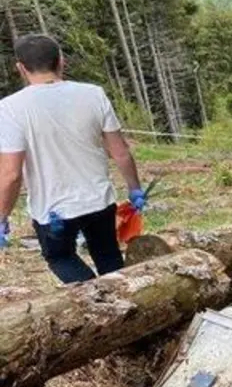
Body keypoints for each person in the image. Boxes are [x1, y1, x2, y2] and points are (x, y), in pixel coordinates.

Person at [0, 34, 148, 283]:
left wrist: (2, 216)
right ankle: (122, 300)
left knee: (61, 257)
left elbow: (11, 174)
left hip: (53, 211)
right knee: (107, 253)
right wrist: (135, 189)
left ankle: (98, 301)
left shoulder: (10, 108)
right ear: (61, 61)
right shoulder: (93, 94)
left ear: (21, 68)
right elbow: (120, 151)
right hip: (98, 200)